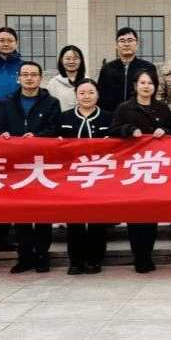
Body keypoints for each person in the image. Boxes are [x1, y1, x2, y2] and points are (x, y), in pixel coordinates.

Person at [0, 60, 62, 273]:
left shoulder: (51, 102)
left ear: (41, 78)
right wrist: (3, 136)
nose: (29, 78)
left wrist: (38, 137)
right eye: (25, 74)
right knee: (21, 213)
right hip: (16, 165)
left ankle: (42, 256)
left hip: (42, 164)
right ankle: (25, 257)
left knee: (44, 213)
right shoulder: (6, 103)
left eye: (34, 74)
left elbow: (54, 128)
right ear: (18, 78)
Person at [110, 67, 171, 273]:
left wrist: (164, 131)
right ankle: (138, 256)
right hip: (133, 169)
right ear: (136, 86)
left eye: (150, 83)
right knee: (134, 215)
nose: (147, 87)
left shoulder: (162, 108)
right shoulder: (125, 108)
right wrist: (128, 130)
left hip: (155, 169)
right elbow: (113, 131)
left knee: (151, 215)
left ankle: (147, 255)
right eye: (143, 83)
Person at [56, 79, 113, 275]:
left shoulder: (108, 118)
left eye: (90, 92)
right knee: (75, 221)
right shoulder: (64, 118)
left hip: (100, 176)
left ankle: (95, 260)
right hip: (72, 177)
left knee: (97, 220)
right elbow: (51, 143)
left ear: (97, 95)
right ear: (76, 96)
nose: (86, 96)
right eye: (82, 93)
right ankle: (76, 261)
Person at [97, 25, 157, 116]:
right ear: (116, 46)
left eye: (130, 40)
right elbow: (101, 96)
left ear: (137, 44)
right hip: (112, 118)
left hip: (140, 116)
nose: (126, 44)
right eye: (122, 41)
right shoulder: (107, 69)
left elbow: (153, 94)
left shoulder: (148, 67)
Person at [48, 44, 87, 111]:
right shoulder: (53, 83)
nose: (71, 62)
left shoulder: (88, 81)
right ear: (61, 60)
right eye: (68, 59)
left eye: (75, 59)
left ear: (81, 61)